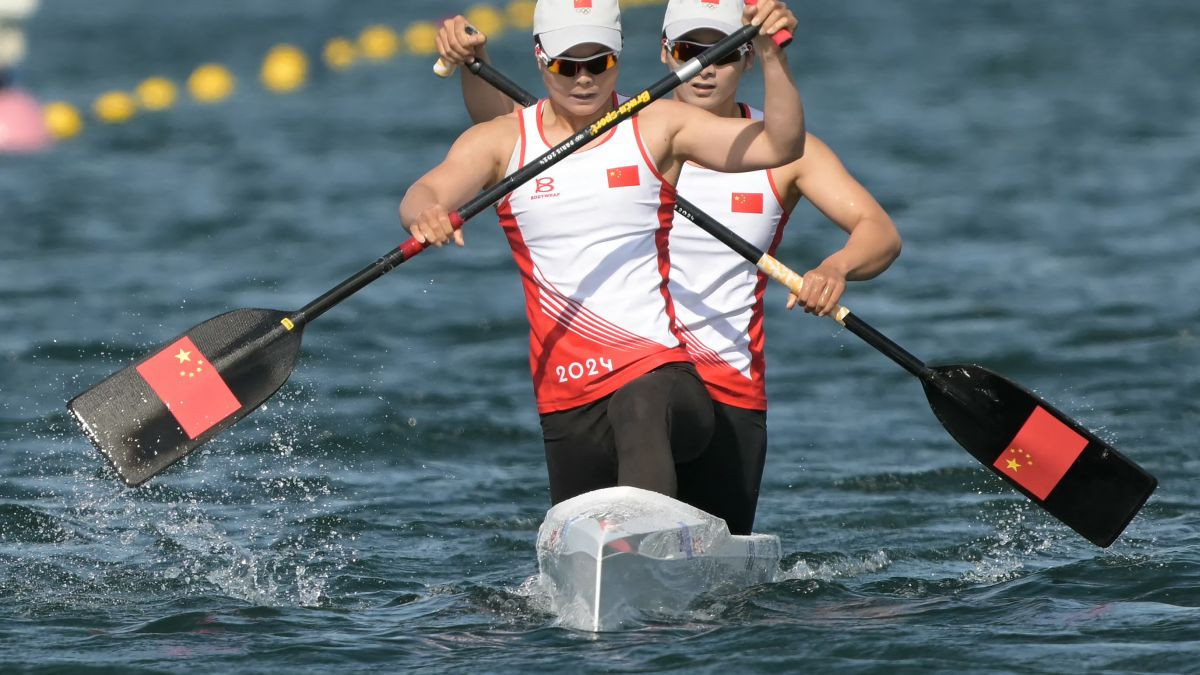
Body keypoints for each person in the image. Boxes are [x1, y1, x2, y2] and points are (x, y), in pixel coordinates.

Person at [436, 0, 901, 534]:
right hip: (617, 377)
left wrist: (836, 267)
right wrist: (475, 61)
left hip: (725, 390)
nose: (705, 67)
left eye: (722, 55)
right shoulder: (624, 131)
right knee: (638, 415)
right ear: (664, 53)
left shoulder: (782, 151)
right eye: (687, 52)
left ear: (747, 57)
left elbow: (879, 232)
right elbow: (509, 138)